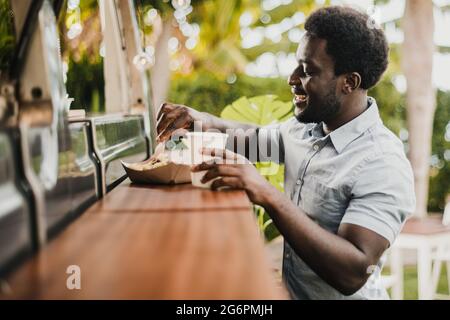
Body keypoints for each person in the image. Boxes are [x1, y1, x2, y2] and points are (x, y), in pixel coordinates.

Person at [156, 6, 416, 299]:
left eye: (308, 71)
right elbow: (250, 139)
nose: (292, 79)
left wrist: (266, 194)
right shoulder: (309, 129)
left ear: (349, 82)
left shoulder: (383, 162)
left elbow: (353, 272)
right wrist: (200, 120)